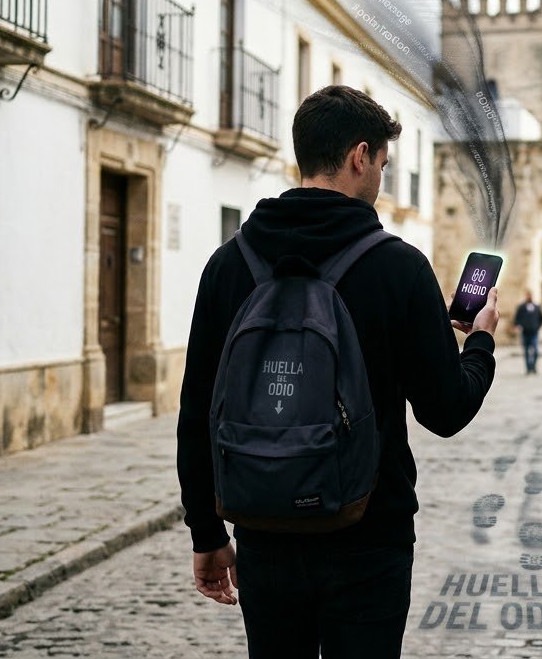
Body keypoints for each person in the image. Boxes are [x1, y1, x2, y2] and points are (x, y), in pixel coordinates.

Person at [176, 85, 500, 658]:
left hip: (263, 531)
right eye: (381, 162)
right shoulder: (398, 266)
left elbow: (198, 407)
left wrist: (206, 532)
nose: (381, 177)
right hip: (369, 538)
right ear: (359, 156)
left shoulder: (229, 264)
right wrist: (479, 344)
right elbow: (446, 412)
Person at [513, 291, 542, 375]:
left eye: (530, 295)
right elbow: (517, 318)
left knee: (536, 351)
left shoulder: (537, 307)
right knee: (526, 351)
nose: (529, 297)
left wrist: (538, 326)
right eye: (527, 295)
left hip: (534, 332)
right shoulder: (521, 307)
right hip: (525, 332)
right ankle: (528, 368)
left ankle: (533, 367)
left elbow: (541, 318)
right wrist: (518, 325)